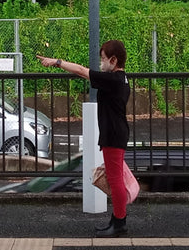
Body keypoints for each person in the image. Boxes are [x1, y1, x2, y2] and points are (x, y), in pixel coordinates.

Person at [37, 40, 130, 237]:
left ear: (113, 61)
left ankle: (120, 223)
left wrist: (57, 62)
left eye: (103, 59)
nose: (101, 63)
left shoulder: (112, 79)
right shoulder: (121, 78)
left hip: (114, 135)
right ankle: (117, 218)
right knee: (115, 179)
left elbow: (81, 70)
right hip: (115, 133)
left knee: (115, 181)